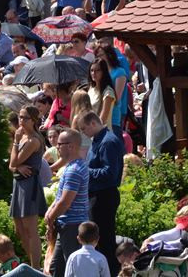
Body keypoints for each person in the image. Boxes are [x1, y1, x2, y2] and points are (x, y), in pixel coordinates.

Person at [82, 111, 124, 273]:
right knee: (100, 241)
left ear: (93, 123)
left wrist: (86, 170)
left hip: (104, 196)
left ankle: (111, 273)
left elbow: (109, 173)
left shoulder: (107, 142)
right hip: (97, 195)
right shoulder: (99, 140)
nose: (84, 133)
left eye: (84, 129)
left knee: (104, 241)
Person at [44, 129, 89, 277]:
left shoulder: (73, 170)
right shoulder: (74, 166)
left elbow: (65, 203)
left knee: (72, 270)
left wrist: (50, 218)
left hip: (72, 226)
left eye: (59, 144)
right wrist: (50, 212)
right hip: (66, 225)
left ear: (70, 146)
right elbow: (60, 198)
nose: (57, 147)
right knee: (57, 267)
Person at [9, 105, 46, 269]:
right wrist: (17, 167)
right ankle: (31, 263)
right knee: (19, 229)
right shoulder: (22, 137)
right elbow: (12, 165)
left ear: (34, 120)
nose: (21, 121)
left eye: (25, 118)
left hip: (29, 185)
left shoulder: (33, 140)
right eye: (19, 117)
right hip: (19, 183)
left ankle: (35, 267)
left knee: (31, 230)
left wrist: (16, 142)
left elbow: (14, 161)